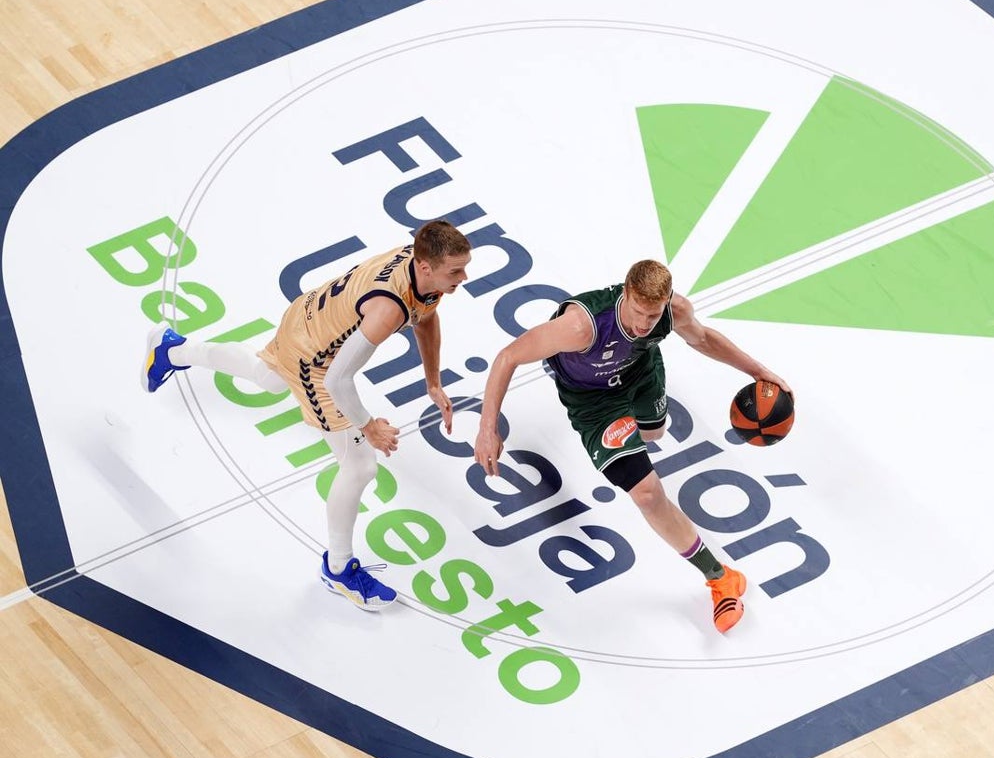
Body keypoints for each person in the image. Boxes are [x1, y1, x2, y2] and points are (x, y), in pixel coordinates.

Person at [142, 219, 472, 612]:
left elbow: (427, 318)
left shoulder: (426, 273)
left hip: (310, 314)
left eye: (464, 268)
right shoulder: (388, 309)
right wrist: (369, 428)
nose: (464, 278)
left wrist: (433, 382)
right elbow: (338, 379)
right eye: (456, 271)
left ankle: (171, 350)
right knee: (360, 465)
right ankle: (338, 568)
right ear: (425, 266)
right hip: (316, 361)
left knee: (268, 377)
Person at [473, 259, 790, 633]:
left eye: (652, 316)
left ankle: (636, 428)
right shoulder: (579, 327)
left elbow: (702, 338)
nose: (643, 324)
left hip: (640, 372)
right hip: (593, 401)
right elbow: (508, 356)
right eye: (638, 313)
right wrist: (487, 427)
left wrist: (757, 371)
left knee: (654, 434)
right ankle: (721, 578)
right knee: (647, 494)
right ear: (624, 294)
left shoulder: (674, 311)